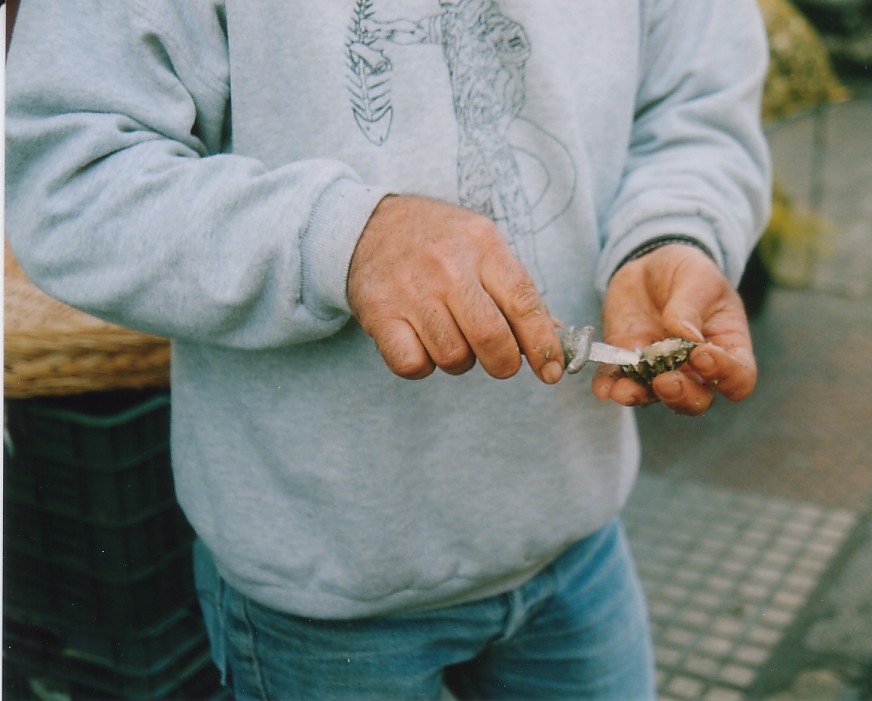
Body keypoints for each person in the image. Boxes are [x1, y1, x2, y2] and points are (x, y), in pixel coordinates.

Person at [6, 1, 771, 698]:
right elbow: (69, 175)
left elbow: (697, 105)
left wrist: (673, 232)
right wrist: (345, 238)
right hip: (322, 580)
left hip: (575, 530)